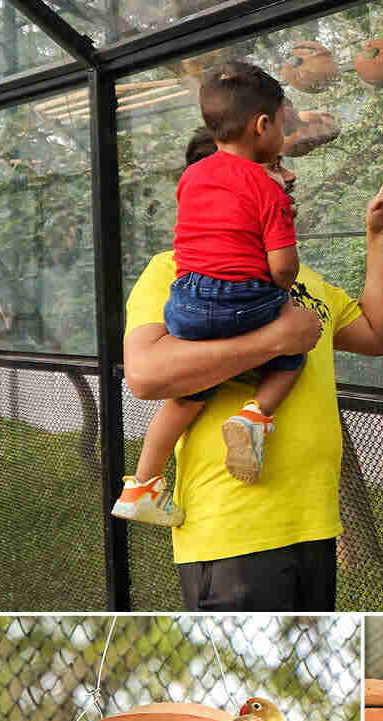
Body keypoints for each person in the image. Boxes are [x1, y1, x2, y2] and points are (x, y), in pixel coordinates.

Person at [121, 132, 383, 610]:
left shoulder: (301, 278)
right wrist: (276, 340)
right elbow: (147, 375)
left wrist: (379, 240)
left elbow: (379, 335)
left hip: (314, 525)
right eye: (274, 164)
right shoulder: (173, 271)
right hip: (232, 532)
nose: (290, 174)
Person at [114, 62, 303, 527]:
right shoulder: (267, 188)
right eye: (283, 129)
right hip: (244, 299)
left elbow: (205, 235)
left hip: (188, 300)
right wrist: (282, 293)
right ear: (262, 126)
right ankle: (255, 416)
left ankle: (142, 484)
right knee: (292, 350)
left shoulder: (191, 179)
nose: (283, 142)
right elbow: (281, 266)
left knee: (188, 395)